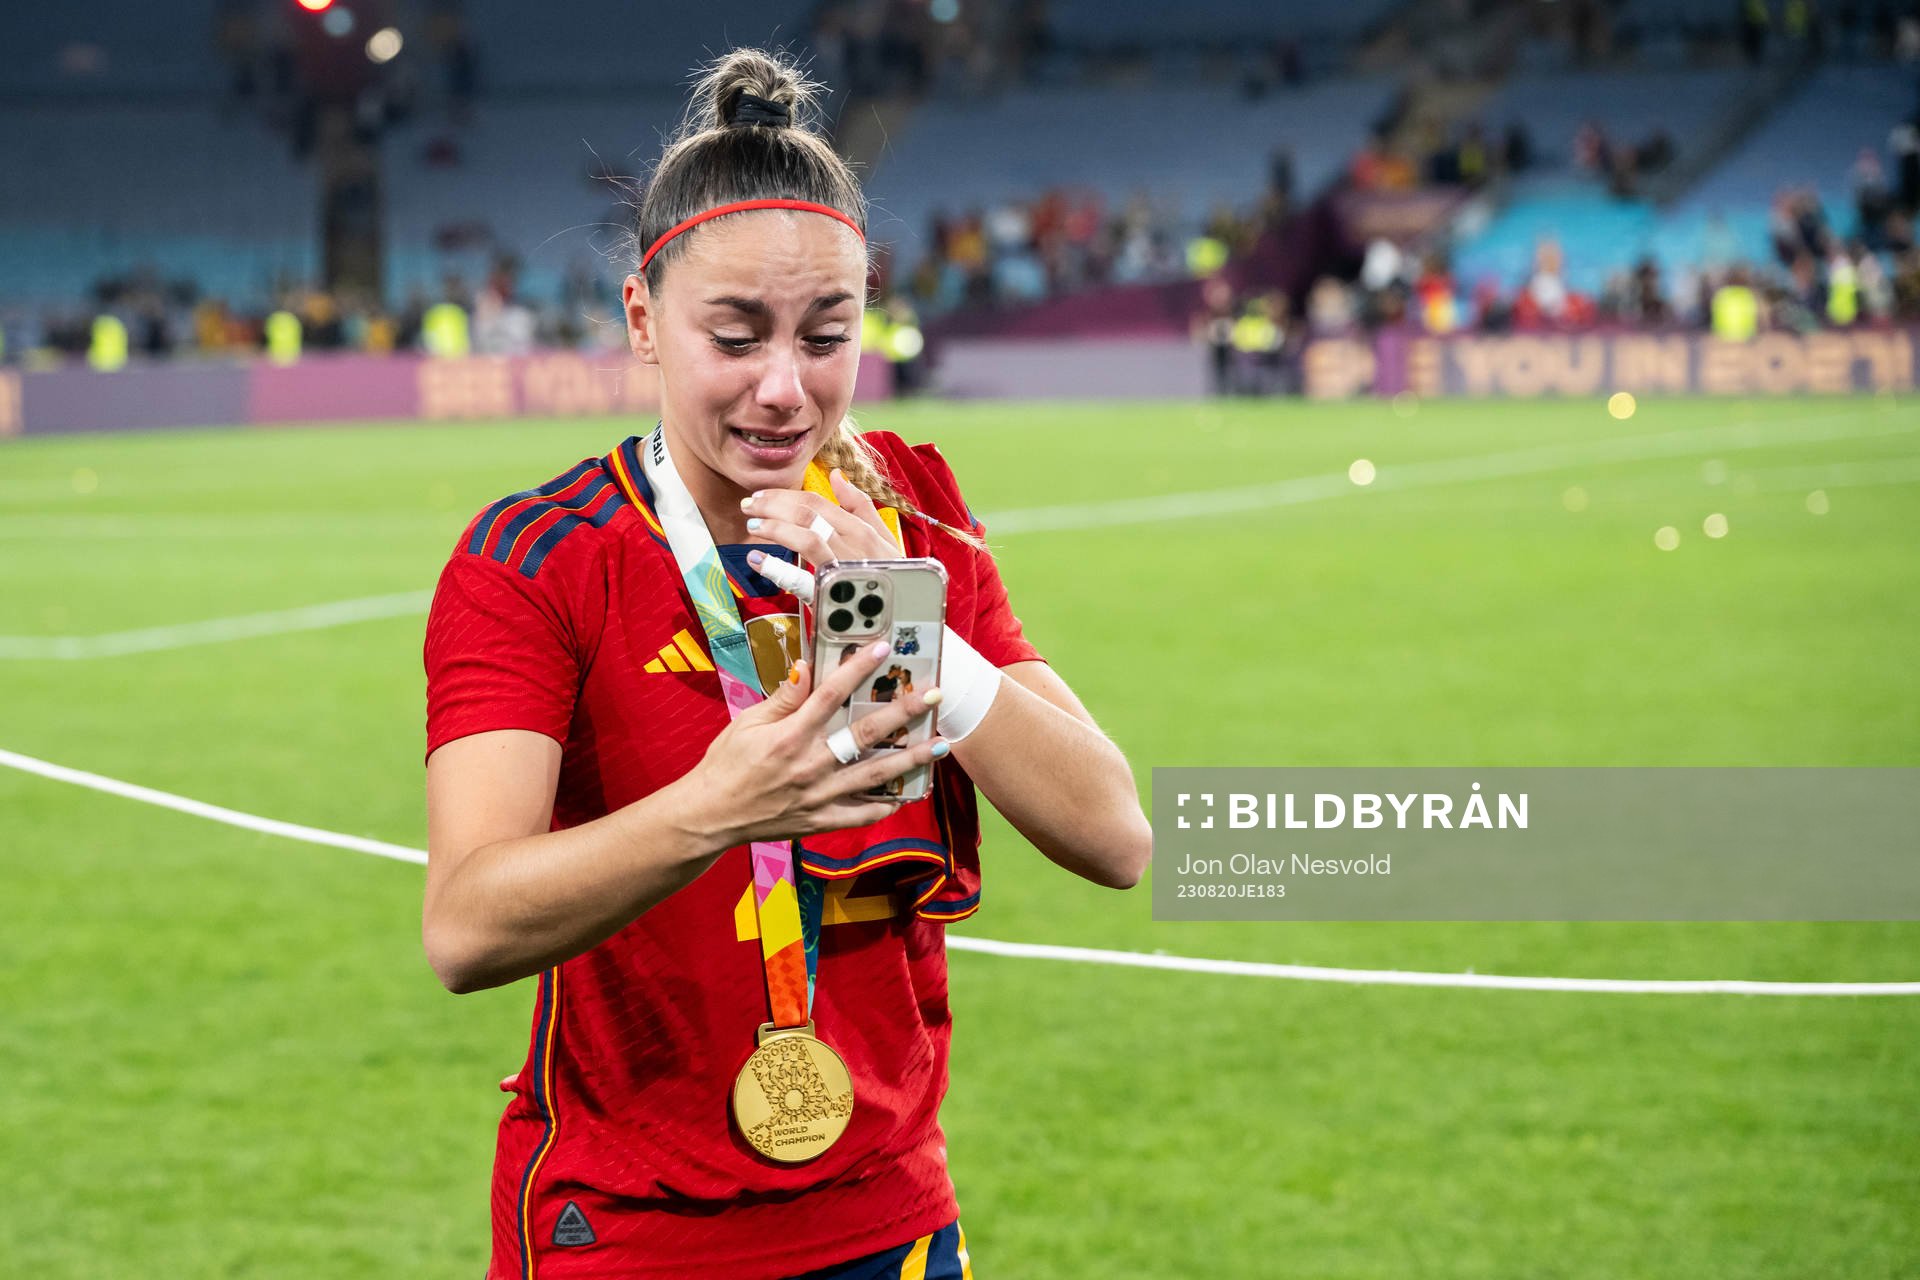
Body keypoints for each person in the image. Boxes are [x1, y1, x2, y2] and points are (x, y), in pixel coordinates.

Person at [420, 47, 1151, 1280]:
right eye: (735, 335)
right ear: (643, 319)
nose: (783, 388)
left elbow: (1116, 833)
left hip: (892, 1219)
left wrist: (906, 624)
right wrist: (722, 806)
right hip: (630, 1228)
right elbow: (465, 924)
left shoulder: (911, 515)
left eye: (826, 335)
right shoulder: (540, 557)